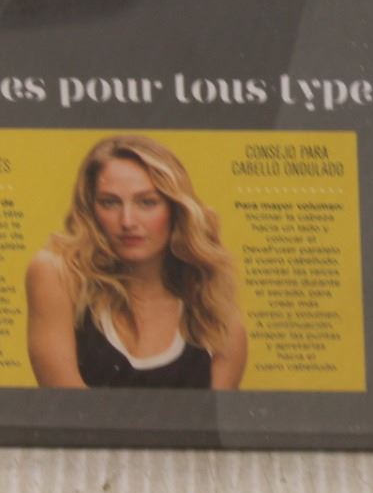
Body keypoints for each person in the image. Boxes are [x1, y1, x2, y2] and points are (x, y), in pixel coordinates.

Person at [26, 135, 246, 389]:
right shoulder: (57, 275)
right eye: (110, 203)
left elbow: (211, 416)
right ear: (91, 210)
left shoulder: (219, 326)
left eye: (147, 202)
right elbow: (69, 407)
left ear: (176, 209)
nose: (127, 221)